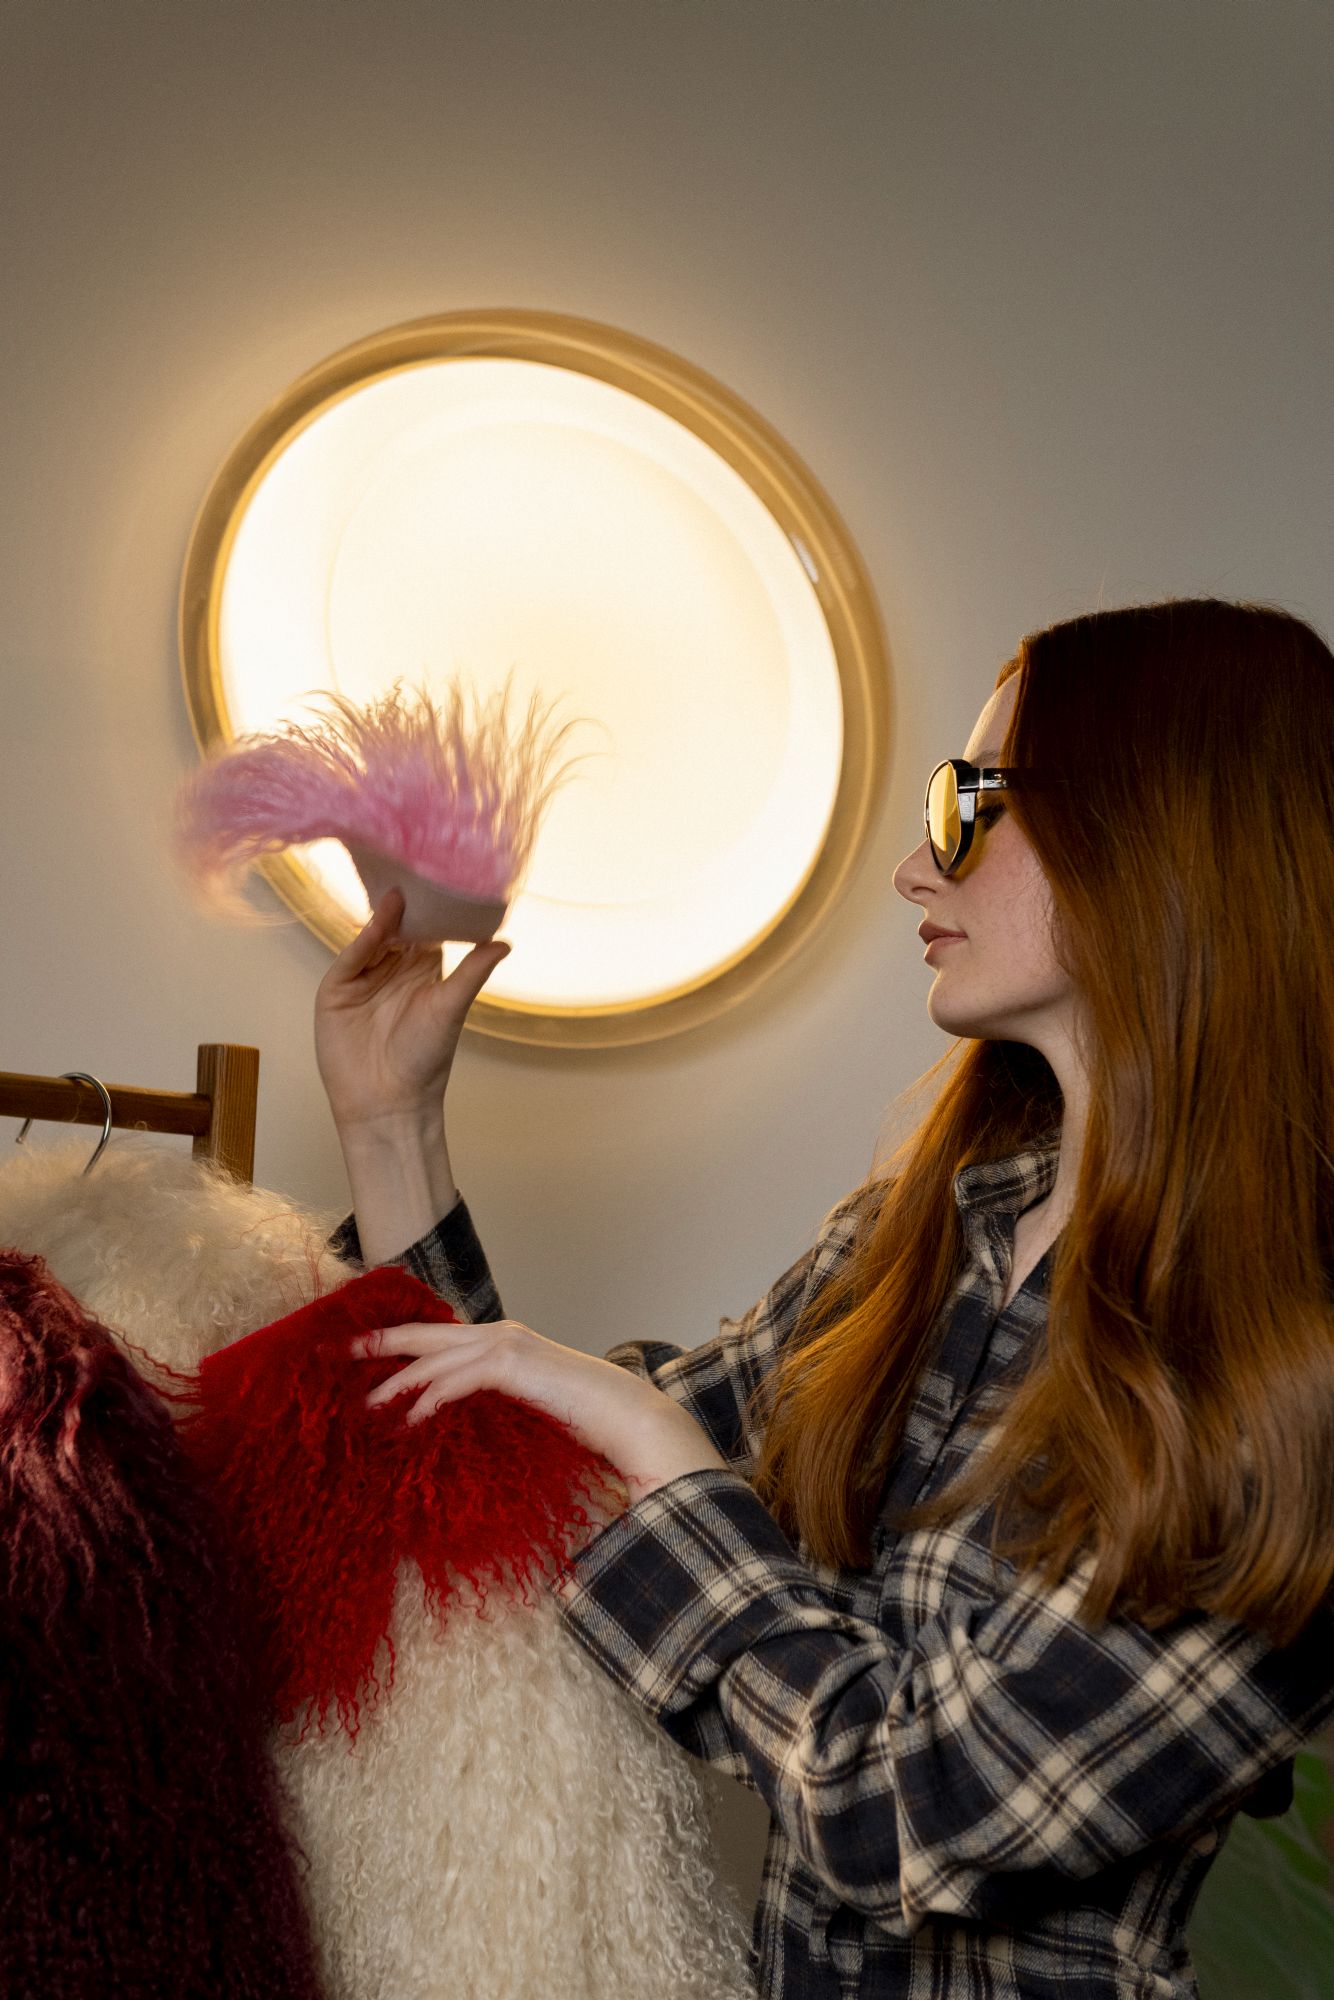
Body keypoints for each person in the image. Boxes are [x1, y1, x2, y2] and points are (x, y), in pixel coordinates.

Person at [313, 597, 1334, 1999]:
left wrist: (667, 1462)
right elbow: (533, 1485)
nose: (917, 869)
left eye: (970, 804)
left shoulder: (1291, 1376)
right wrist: (391, 1127)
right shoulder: (920, 1244)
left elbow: (907, 1810)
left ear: (1159, 832)